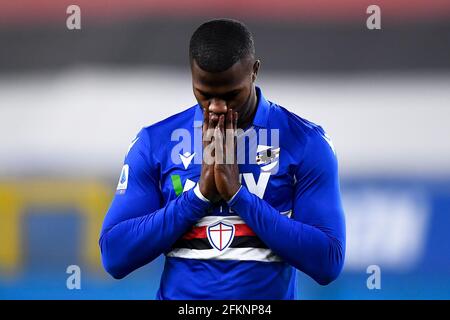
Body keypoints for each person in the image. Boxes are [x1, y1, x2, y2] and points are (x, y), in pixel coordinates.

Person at [99, 18, 346, 299]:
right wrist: (200, 196)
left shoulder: (306, 142)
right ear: (191, 76)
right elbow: (114, 256)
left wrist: (238, 195)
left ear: (254, 72)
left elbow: (328, 262)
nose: (217, 107)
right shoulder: (155, 143)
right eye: (204, 94)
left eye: (231, 95)